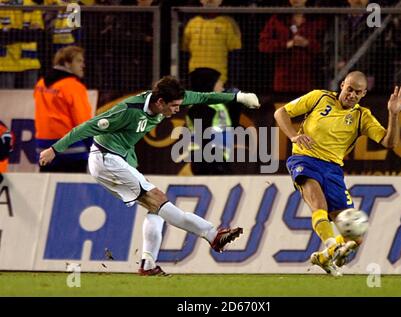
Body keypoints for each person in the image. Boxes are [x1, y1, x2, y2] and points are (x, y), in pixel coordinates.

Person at [39, 76, 260, 275]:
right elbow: (86, 127)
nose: (177, 110)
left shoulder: (170, 100)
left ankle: (148, 262)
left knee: (157, 210)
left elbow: (205, 97)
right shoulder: (128, 110)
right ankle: (212, 234)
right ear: (160, 102)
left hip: (120, 159)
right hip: (106, 160)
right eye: (173, 106)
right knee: (159, 200)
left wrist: (238, 97)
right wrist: (54, 150)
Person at [274, 71, 401, 276]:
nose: (352, 95)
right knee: (319, 205)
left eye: (358, 92)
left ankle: (323, 258)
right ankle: (330, 246)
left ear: (364, 93)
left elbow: (389, 143)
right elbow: (280, 113)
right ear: (342, 86)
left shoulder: (361, 116)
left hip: (333, 171)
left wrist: (393, 114)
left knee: (355, 236)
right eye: (349, 89)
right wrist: (293, 136)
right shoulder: (319, 97)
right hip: (305, 159)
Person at [34, 45, 93, 173]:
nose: (83, 65)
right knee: (73, 192)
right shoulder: (73, 86)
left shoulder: (41, 84)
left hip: (43, 149)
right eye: (78, 61)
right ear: (67, 63)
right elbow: (83, 122)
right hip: (70, 151)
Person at [186, 67, 233, 175]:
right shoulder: (201, 107)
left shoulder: (213, 105)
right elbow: (204, 137)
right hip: (209, 162)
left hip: (216, 160)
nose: (222, 83)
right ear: (209, 85)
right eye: (218, 81)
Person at [182, 0, 242, 84]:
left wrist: (233, 82)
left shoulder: (228, 23)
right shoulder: (192, 23)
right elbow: (185, 51)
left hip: (219, 78)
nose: (210, 1)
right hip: (195, 77)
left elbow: (235, 53)